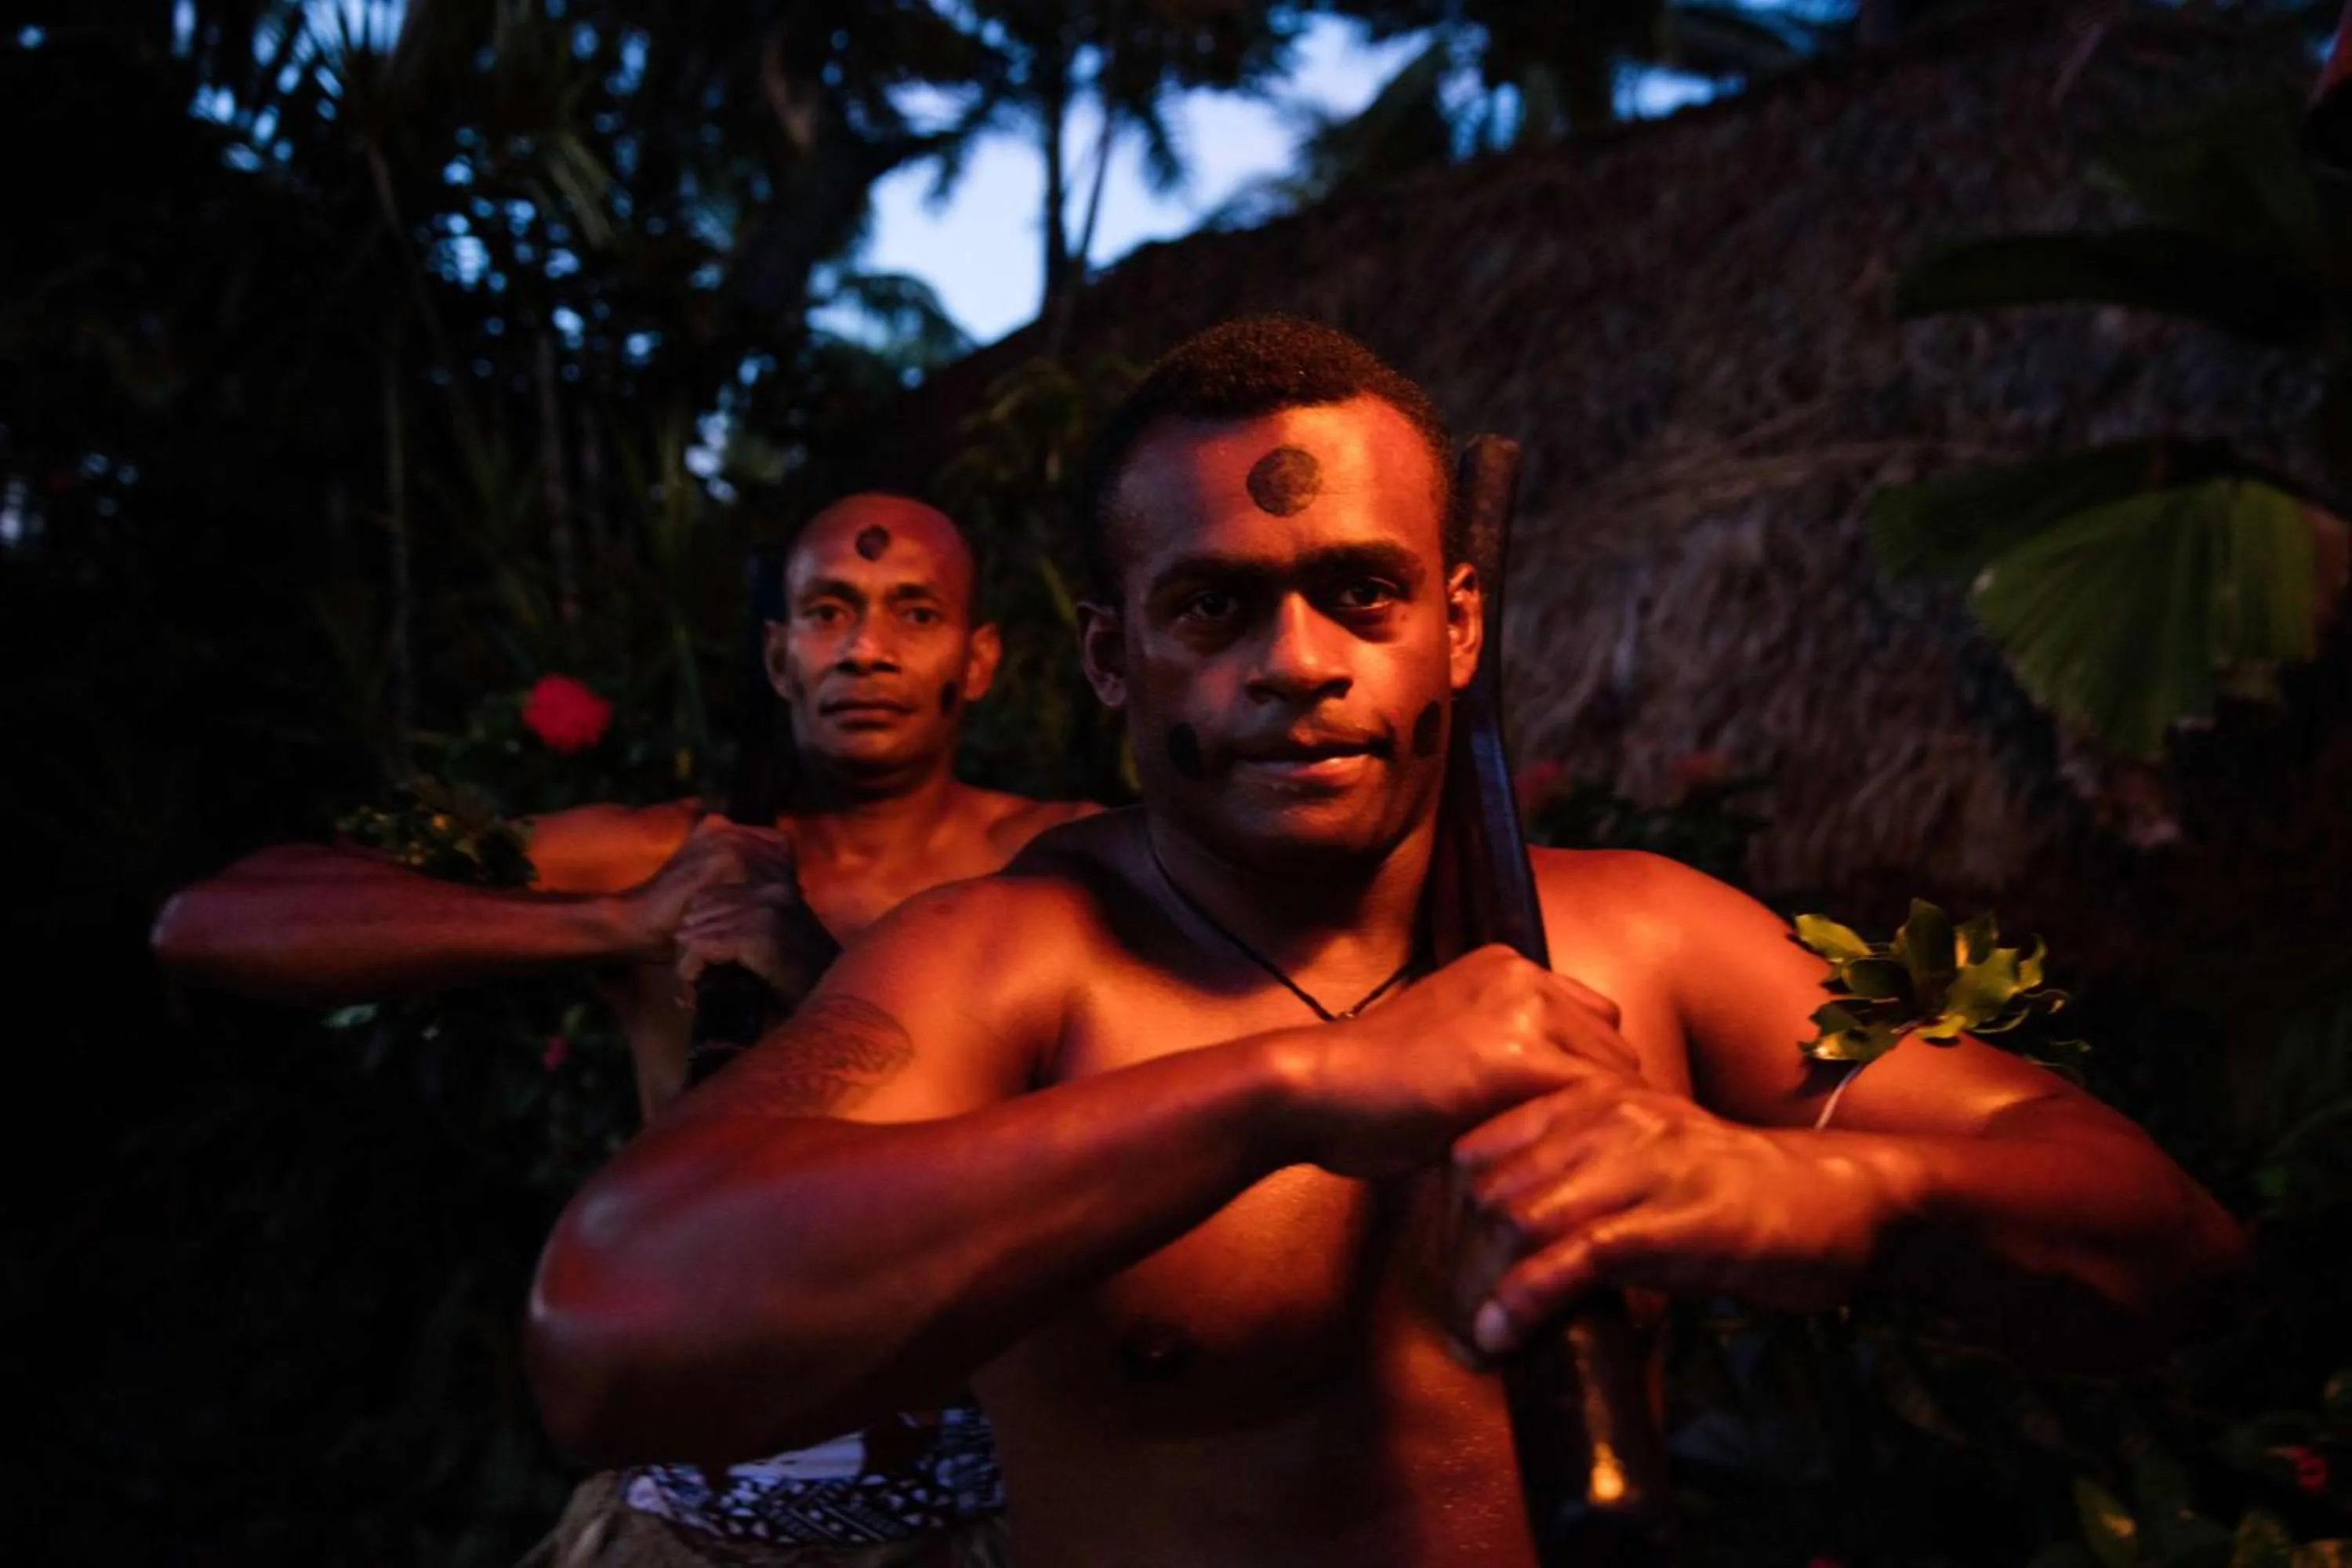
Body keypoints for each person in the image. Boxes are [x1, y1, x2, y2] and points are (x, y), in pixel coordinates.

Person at [522, 318, 2248, 1568]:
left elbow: (2171, 1255)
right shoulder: (1012, 962)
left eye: (1362, 590)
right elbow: (611, 1324)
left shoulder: (1643, 934)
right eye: (1214, 604)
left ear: (1456, 624)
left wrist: (1826, 1193)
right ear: (1112, 659)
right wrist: (1291, 1088)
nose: (1298, 658)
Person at [154, 492, 1094, 1566]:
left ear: (978, 659)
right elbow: (214, 924)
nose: (868, 648)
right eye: (831, 612)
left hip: (988, 1509)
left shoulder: (1064, 861)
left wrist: (819, 976)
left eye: (912, 612)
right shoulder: (671, 858)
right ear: (779, 657)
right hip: (685, 1512)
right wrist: (619, 921)